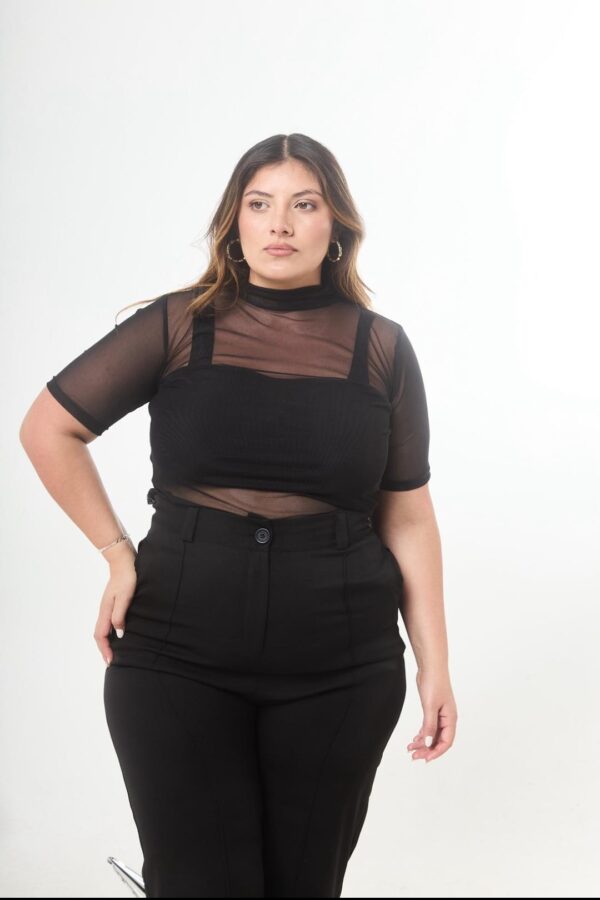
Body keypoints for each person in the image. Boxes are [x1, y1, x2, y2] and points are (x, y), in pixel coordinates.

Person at [19, 133, 457, 898]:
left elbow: (409, 516)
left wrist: (436, 666)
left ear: (336, 225)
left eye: (303, 204)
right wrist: (117, 552)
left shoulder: (381, 349)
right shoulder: (177, 325)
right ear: (235, 221)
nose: (279, 223)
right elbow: (48, 429)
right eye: (259, 204)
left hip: (341, 665)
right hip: (176, 650)